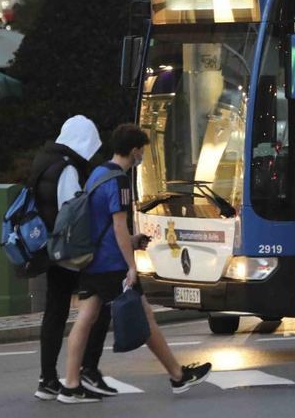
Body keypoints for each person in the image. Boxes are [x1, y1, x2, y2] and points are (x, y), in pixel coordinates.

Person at [59, 124, 211, 404]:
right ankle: (178, 376)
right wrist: (131, 265)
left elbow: (103, 224)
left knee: (84, 319)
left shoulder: (98, 173)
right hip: (112, 263)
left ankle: (70, 383)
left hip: (92, 260)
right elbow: (117, 226)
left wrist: (132, 239)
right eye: (141, 151)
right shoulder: (120, 181)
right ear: (134, 151)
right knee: (145, 317)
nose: (142, 156)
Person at [31, 115, 119, 401]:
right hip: (70, 251)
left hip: (51, 248)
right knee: (99, 303)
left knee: (54, 313)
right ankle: (86, 371)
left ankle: (47, 379)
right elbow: (74, 211)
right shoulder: (67, 168)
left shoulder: (43, 161)